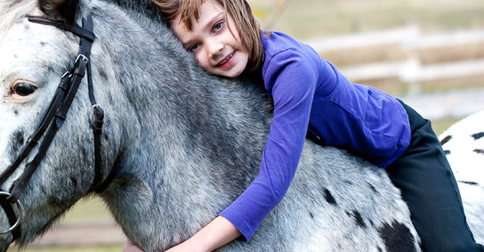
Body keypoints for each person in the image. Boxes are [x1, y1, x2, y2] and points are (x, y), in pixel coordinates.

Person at [123, 0, 484, 251]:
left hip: (399, 146)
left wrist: (194, 247)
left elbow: (271, 184)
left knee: (452, 247)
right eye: (194, 46)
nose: (214, 48)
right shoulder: (228, 76)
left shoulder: (290, 68)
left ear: (239, 9)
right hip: (342, 163)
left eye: (217, 26)